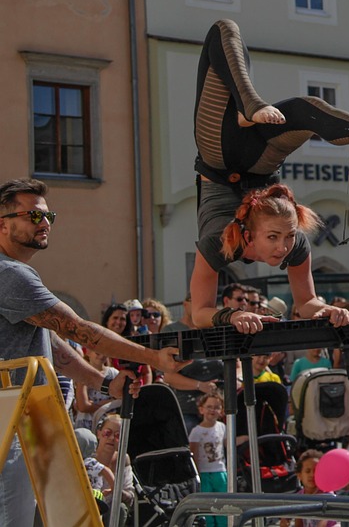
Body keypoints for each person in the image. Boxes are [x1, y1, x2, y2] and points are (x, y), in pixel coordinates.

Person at [0, 178, 181, 527]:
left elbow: (55, 345)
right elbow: (79, 329)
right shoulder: (10, 275)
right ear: (3, 224)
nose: (45, 222)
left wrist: (103, 382)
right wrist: (155, 358)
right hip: (11, 425)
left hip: (27, 425)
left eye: (48, 215)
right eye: (34, 216)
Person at [191, 19, 349, 287]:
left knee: (225, 29)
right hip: (262, 160)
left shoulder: (216, 243)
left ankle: (248, 106)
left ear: (250, 237)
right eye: (278, 237)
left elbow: (200, 308)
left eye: (276, 237)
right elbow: (309, 302)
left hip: (220, 155)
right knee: (303, 109)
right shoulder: (294, 240)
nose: (283, 246)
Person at [188, 183, 349, 334]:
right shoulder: (216, 243)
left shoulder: (297, 244)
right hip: (217, 177)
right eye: (272, 237)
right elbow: (199, 314)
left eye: (290, 235)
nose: (283, 248)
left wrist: (326, 309)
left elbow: (306, 303)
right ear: (249, 237)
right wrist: (233, 315)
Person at [188, 393, 227, 526]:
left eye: (217, 407)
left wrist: (245, 438)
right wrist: (196, 474)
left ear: (221, 411)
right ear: (201, 409)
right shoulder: (196, 431)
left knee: (223, 503)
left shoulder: (222, 427)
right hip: (204, 473)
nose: (212, 410)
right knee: (206, 503)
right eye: (209, 407)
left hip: (220, 471)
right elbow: (193, 453)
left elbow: (228, 444)